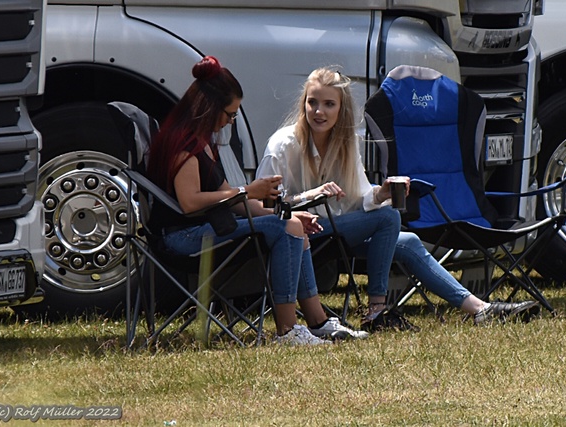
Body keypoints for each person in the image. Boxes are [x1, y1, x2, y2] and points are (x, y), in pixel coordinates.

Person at [256, 66, 538, 330]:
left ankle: (480, 309)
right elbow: (263, 205)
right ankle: (377, 311)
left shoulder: (346, 143)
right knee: (389, 216)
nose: (319, 111)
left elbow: (359, 199)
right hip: (296, 234)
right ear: (303, 103)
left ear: (341, 109)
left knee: (408, 240)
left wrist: (383, 192)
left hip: (334, 231)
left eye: (329, 104)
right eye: (312, 102)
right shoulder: (283, 145)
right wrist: (309, 196)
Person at [146, 57, 368, 345]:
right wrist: (249, 191)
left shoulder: (203, 141)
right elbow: (191, 202)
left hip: (206, 229)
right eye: (229, 114)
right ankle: (288, 331)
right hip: (182, 239)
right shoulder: (185, 144)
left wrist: (281, 215)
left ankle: (318, 322)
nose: (231, 121)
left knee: (290, 226)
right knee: (286, 229)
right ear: (209, 108)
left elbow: (232, 199)